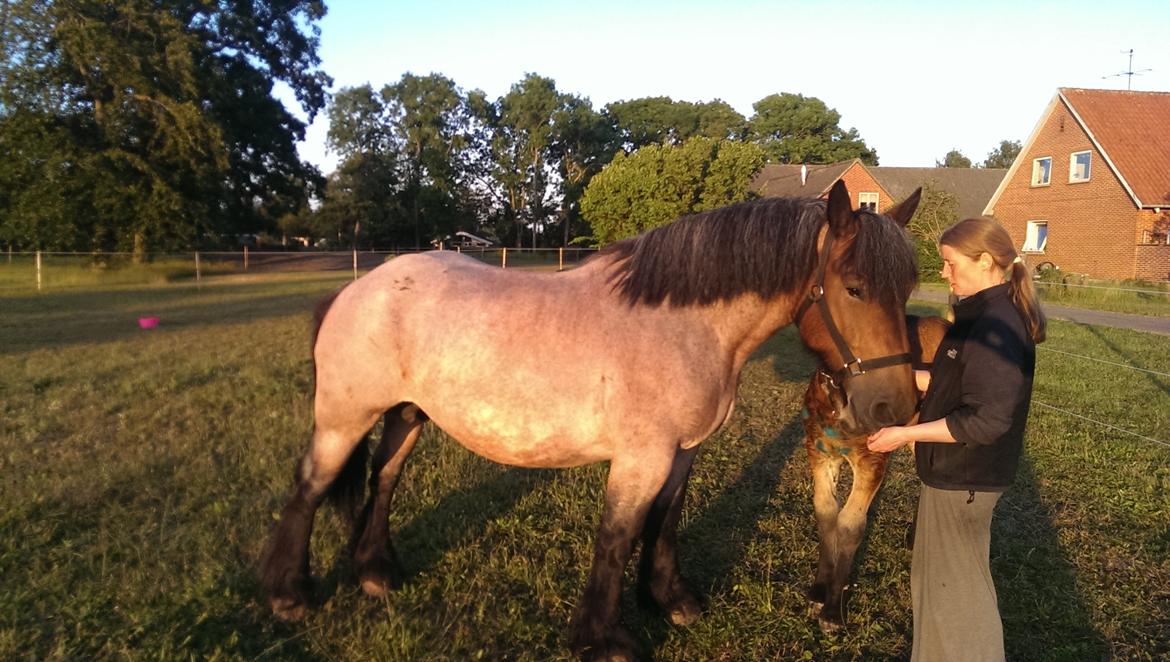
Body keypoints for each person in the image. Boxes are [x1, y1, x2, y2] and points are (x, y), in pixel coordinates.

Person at [866, 217, 1046, 662]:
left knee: (958, 597)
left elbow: (986, 420)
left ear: (985, 261)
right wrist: (897, 375)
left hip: (964, 479)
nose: (943, 272)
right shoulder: (975, 316)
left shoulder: (996, 326)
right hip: (951, 475)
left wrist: (905, 433)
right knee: (936, 587)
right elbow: (951, 384)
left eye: (949, 263)